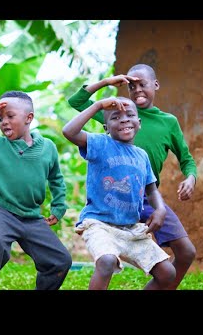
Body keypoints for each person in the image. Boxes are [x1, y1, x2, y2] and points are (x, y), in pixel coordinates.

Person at [67, 63, 197, 289]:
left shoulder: (166, 122)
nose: (136, 90)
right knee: (107, 259)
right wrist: (106, 84)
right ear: (107, 126)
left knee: (185, 254)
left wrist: (190, 177)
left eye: (142, 85)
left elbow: (185, 159)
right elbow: (75, 103)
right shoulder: (115, 111)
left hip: (144, 197)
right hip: (108, 201)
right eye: (132, 86)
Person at [0, 91, 72, 290]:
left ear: (29, 118)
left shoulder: (48, 148)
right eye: (0, 118)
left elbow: (56, 179)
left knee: (60, 260)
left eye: (10, 116)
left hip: (31, 216)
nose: (4, 122)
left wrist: (59, 207)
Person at [62, 96, 176, 290]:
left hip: (130, 228)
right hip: (99, 224)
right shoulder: (100, 144)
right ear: (106, 127)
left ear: (138, 123)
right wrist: (98, 105)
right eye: (115, 117)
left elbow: (151, 188)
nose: (124, 119)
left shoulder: (142, 155)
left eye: (130, 115)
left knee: (167, 273)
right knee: (106, 261)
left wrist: (160, 209)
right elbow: (69, 131)